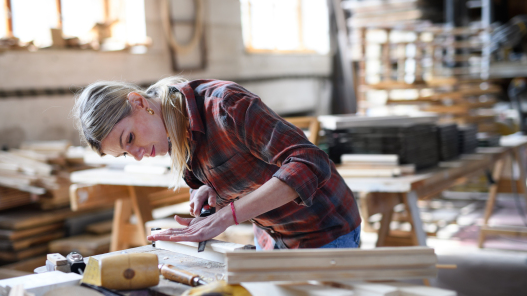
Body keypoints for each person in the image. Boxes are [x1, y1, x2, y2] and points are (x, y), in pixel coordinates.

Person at [73, 77, 361, 249]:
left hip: (324, 230)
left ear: (138, 102)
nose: (136, 154)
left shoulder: (224, 105)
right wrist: (210, 193)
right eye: (126, 153)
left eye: (130, 138)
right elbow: (229, 177)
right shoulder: (171, 130)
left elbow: (310, 163)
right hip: (273, 236)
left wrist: (224, 218)